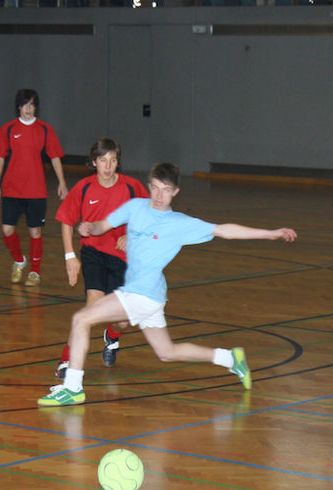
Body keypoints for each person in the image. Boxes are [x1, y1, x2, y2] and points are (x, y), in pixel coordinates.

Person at [38, 162, 297, 406]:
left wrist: (270, 233)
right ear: (149, 185)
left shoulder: (179, 224)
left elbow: (224, 230)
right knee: (167, 352)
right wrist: (89, 227)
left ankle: (73, 388)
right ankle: (229, 358)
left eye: (166, 190)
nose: (159, 196)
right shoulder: (135, 207)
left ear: (175, 192)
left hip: (142, 294)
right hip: (152, 296)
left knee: (81, 319)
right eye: (155, 188)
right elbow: (102, 226)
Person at [54, 138, 149, 376]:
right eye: (103, 161)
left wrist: (132, 236)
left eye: (113, 160)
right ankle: (66, 362)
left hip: (122, 259)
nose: (108, 166)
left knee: (122, 321)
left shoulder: (131, 187)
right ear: (94, 162)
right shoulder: (84, 188)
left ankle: (113, 335)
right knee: (91, 307)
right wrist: (69, 256)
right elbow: (66, 220)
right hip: (94, 252)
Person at [0, 88, 68, 287]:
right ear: (18, 107)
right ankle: (19, 261)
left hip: (36, 191)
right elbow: (0, 158)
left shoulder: (44, 129)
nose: (28, 108)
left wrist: (62, 182)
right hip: (11, 189)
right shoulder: (8, 129)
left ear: (36, 107)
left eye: (32, 104)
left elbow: (55, 157)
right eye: (25, 104)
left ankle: (35, 271)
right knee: (7, 229)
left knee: (36, 232)